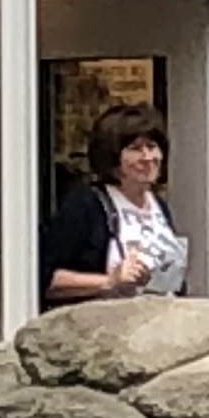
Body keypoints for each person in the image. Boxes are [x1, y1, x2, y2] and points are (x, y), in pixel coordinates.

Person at [41, 104, 189, 306]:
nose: (148, 158)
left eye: (152, 147)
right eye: (135, 149)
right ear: (111, 157)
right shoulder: (86, 205)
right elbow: (47, 280)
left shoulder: (159, 206)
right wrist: (109, 281)